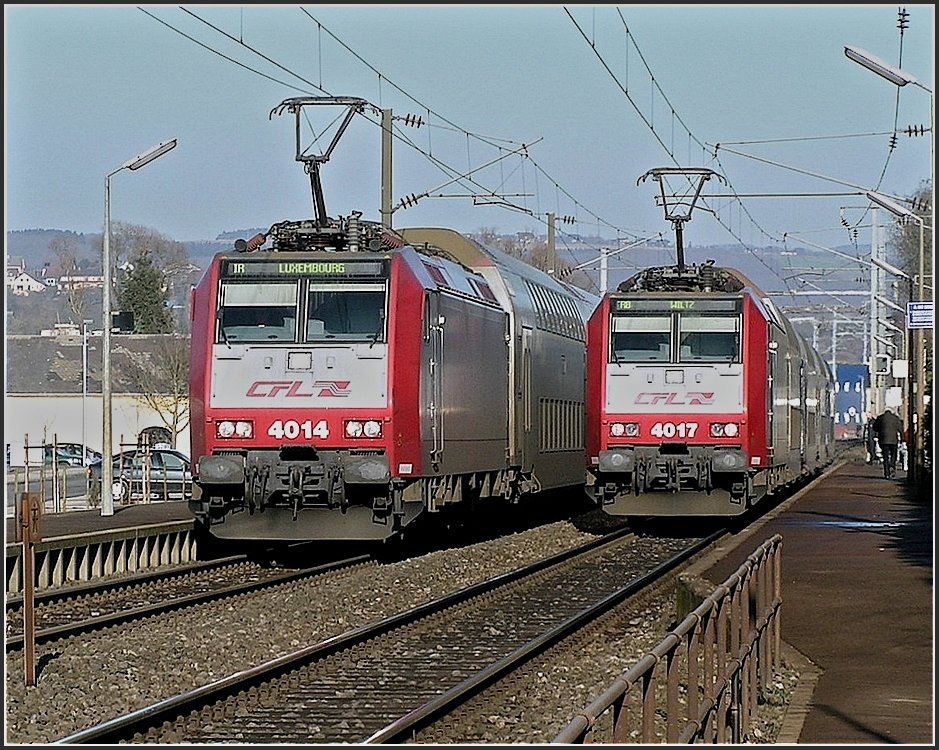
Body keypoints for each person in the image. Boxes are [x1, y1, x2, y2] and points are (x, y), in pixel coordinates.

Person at [872, 407, 904, 478]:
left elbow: (874, 428)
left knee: (885, 457)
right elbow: (900, 429)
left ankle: (886, 473)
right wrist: (902, 439)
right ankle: (892, 465)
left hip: (883, 440)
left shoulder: (880, 418)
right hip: (893, 440)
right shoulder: (895, 418)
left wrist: (880, 430)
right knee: (893, 455)